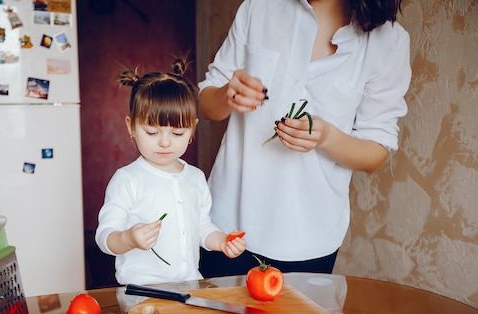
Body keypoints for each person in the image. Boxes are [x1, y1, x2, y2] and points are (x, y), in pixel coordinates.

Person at [197, 0, 411, 277]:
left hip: (310, 239)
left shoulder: (389, 41)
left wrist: (327, 137)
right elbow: (206, 104)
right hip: (227, 226)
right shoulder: (259, 6)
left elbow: (376, 152)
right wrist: (228, 93)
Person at [96, 58, 247, 286]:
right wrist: (128, 238)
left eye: (177, 134)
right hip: (143, 290)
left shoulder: (195, 178)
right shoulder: (128, 180)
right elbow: (105, 237)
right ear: (131, 127)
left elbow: (202, 226)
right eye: (152, 132)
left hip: (190, 286)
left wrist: (222, 241)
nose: (165, 143)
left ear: (192, 129)